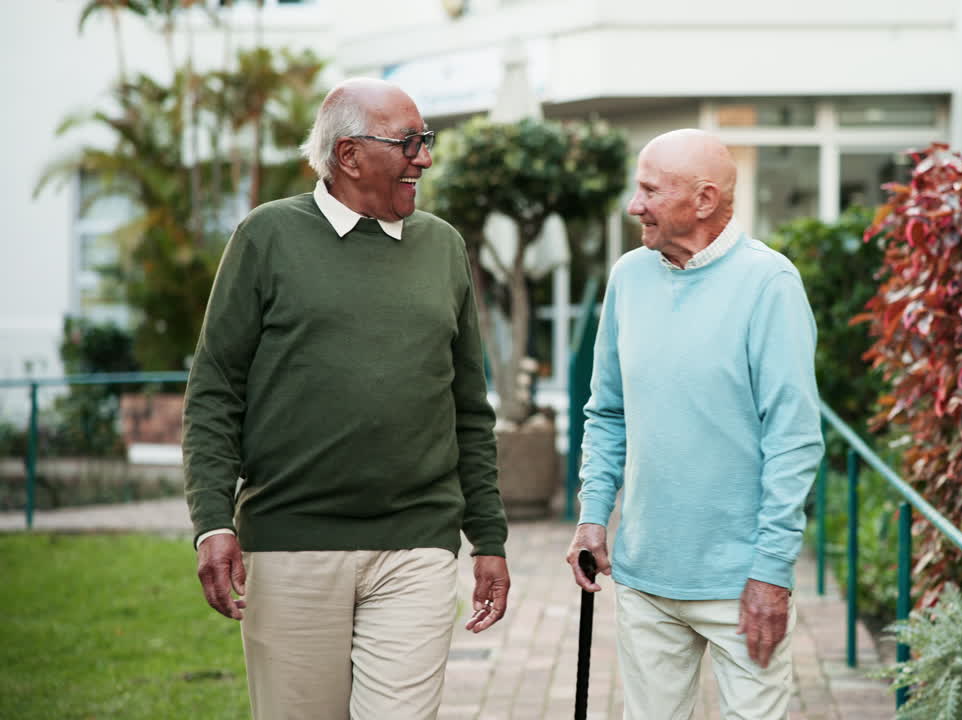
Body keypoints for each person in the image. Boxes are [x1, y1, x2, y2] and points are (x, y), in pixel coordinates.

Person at [183, 77, 510, 720]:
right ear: (350, 155)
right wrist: (213, 522)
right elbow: (214, 391)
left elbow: (469, 406)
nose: (426, 157)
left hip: (417, 542)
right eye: (409, 142)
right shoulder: (266, 236)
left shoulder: (443, 246)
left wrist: (489, 537)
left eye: (426, 140)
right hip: (290, 543)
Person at [566, 128, 824, 719]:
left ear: (704, 200)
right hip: (645, 575)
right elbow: (607, 411)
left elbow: (794, 440)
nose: (636, 206)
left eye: (651, 191)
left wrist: (771, 572)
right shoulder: (628, 277)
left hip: (742, 583)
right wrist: (592, 516)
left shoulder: (770, 284)